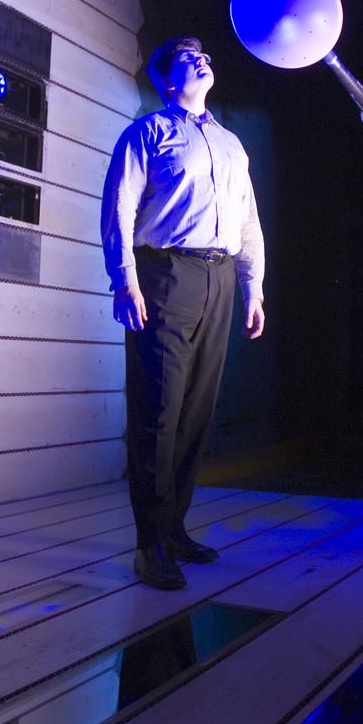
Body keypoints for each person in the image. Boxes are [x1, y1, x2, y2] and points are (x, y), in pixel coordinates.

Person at [100, 37, 265, 590]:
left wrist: (253, 288)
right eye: (189, 57)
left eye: (205, 54)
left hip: (220, 276)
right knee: (158, 407)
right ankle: (149, 544)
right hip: (165, 273)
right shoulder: (147, 132)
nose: (203, 59)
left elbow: (247, 221)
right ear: (167, 79)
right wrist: (124, 280)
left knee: (195, 411)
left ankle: (173, 530)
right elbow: (119, 207)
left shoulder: (231, 144)